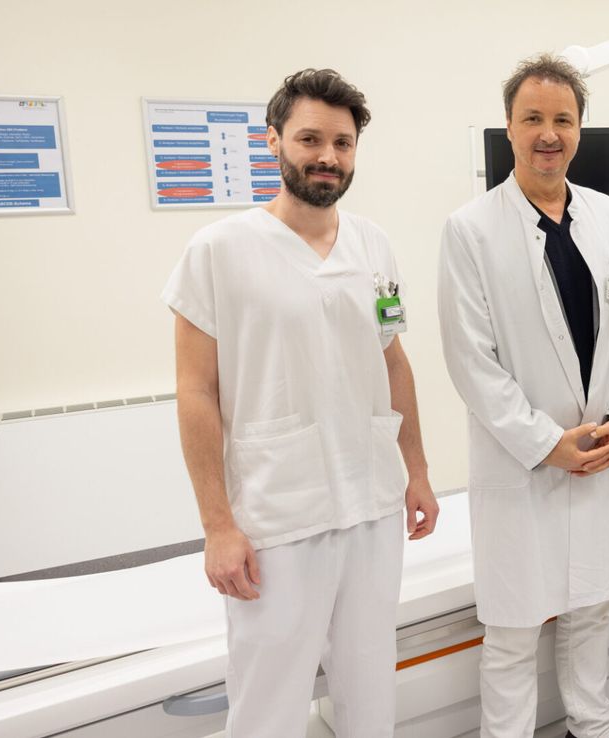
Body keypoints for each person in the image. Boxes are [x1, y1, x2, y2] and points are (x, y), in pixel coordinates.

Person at [164, 68, 439, 738]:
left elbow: (392, 361)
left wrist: (419, 472)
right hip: (277, 515)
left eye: (342, 143)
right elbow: (196, 391)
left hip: (372, 504)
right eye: (310, 138)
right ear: (273, 141)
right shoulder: (219, 251)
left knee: (370, 688)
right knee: (268, 704)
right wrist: (217, 526)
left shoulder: (372, 244)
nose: (327, 156)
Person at [437, 53, 609, 738]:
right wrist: (546, 444)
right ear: (509, 128)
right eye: (533, 118)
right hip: (521, 465)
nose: (548, 133)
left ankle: (592, 727)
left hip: (599, 452)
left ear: (580, 130)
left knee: (591, 610)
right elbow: (471, 362)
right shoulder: (471, 229)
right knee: (512, 626)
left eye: (562, 119)